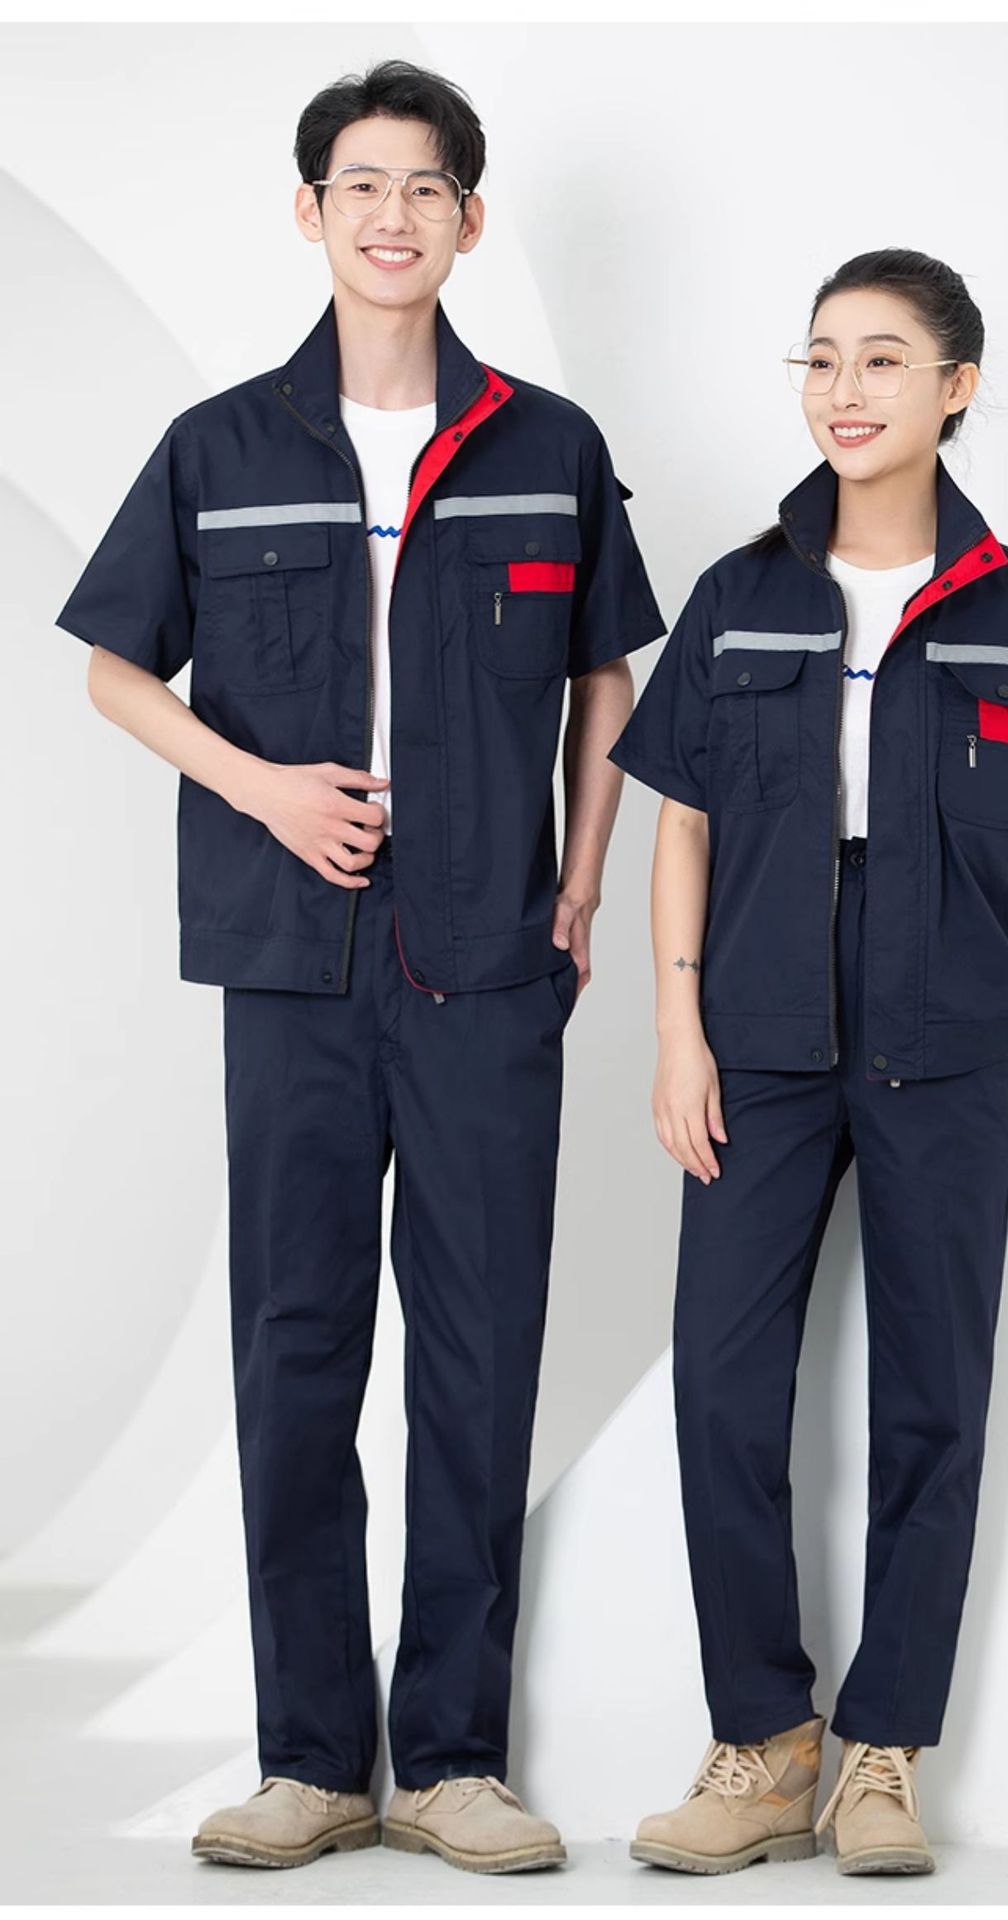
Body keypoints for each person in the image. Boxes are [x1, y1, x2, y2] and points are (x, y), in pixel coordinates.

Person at [54, 58, 664, 1874]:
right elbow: (113, 667)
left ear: (470, 220)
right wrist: (262, 788)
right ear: (310, 212)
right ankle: (314, 1760)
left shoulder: (548, 446)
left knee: (480, 1350)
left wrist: (583, 880)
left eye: (426, 188)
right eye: (361, 185)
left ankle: (454, 1761)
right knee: (297, 1347)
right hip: (291, 966)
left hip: (489, 961)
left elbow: (610, 675)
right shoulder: (222, 446)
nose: (393, 216)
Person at [607, 248, 1008, 1878]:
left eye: (881, 359)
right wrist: (677, 1029)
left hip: (948, 1045)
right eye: (819, 359)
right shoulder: (741, 591)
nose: (843, 390)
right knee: (724, 1388)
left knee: (934, 1399)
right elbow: (682, 823)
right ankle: (761, 1744)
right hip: (758, 1042)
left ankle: (883, 1756)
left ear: (956, 387)